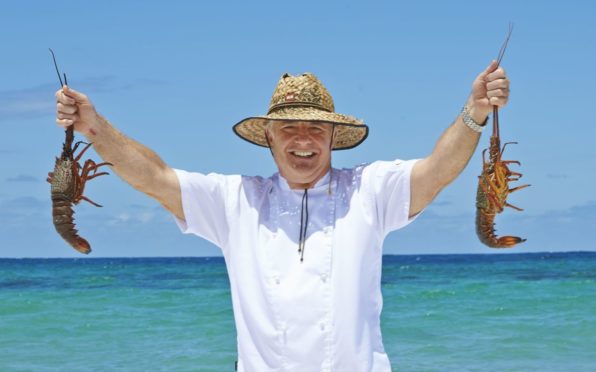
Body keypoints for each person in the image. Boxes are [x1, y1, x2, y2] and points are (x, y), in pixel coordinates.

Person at [54, 62, 509, 371]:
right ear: (268, 139)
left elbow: (439, 170)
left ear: (334, 137)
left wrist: (475, 112)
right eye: (289, 129)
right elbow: (153, 175)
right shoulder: (235, 201)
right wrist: (93, 126)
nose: (303, 140)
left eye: (315, 128)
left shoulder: (370, 189)